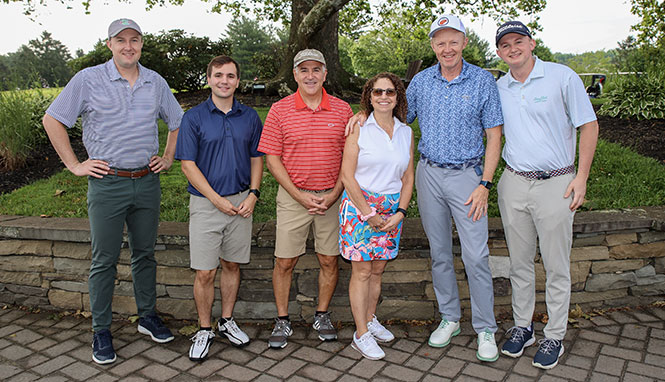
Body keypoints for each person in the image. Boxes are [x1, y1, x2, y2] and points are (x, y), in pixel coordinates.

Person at [347, 14, 503, 362]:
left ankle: (485, 327)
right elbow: (396, 116)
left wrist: (485, 183)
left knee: (476, 255)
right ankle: (450, 318)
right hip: (429, 175)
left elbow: (494, 135)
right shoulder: (420, 82)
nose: (447, 48)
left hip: (468, 177)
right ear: (433, 46)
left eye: (453, 41)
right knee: (440, 254)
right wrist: (362, 115)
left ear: (463, 42)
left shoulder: (482, 82)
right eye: (440, 42)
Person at [42, 18, 182, 364]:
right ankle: (101, 331)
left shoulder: (155, 81)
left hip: (146, 182)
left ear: (141, 44)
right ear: (109, 44)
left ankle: (147, 317)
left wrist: (167, 157)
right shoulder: (89, 79)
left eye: (134, 40)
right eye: (121, 40)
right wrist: (75, 165)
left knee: (144, 254)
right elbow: (53, 118)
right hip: (108, 184)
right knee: (103, 260)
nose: (128, 46)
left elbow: (178, 120)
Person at [494, 21, 599, 369]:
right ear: (499, 52)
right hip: (514, 183)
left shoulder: (561, 77)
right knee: (519, 263)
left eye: (518, 41)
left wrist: (581, 178)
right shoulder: (500, 87)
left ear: (531, 42)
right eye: (505, 44)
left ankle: (554, 334)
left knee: (556, 265)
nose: (513, 48)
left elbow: (589, 124)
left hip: (557, 183)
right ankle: (523, 327)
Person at [257, 48, 353, 349]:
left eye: (316, 70)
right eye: (304, 70)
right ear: (295, 75)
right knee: (285, 261)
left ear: (325, 74)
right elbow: (272, 159)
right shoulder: (279, 110)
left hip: (332, 197)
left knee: (328, 259)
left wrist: (336, 193)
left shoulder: (342, 110)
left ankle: (321, 315)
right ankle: (283, 320)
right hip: (293, 198)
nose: (310, 76)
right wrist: (299, 197)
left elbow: (351, 158)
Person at [175, 56, 264, 361]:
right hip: (206, 204)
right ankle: (204, 328)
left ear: (238, 81)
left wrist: (253, 194)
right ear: (209, 79)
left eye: (230, 76)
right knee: (204, 271)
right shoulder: (194, 118)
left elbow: (256, 158)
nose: (224, 81)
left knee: (232, 265)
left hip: (241, 202)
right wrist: (216, 199)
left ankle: (226, 321)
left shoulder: (250, 117)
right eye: (218, 75)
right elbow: (187, 165)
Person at [339, 72, 414, 360]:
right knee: (362, 271)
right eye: (378, 92)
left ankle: (370, 320)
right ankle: (360, 335)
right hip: (360, 208)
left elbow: (408, 177)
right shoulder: (359, 128)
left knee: (378, 270)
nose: (384, 97)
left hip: (392, 211)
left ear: (398, 97)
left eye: (390, 92)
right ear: (369, 97)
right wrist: (367, 212)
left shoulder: (405, 132)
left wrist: (401, 212)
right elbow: (347, 175)